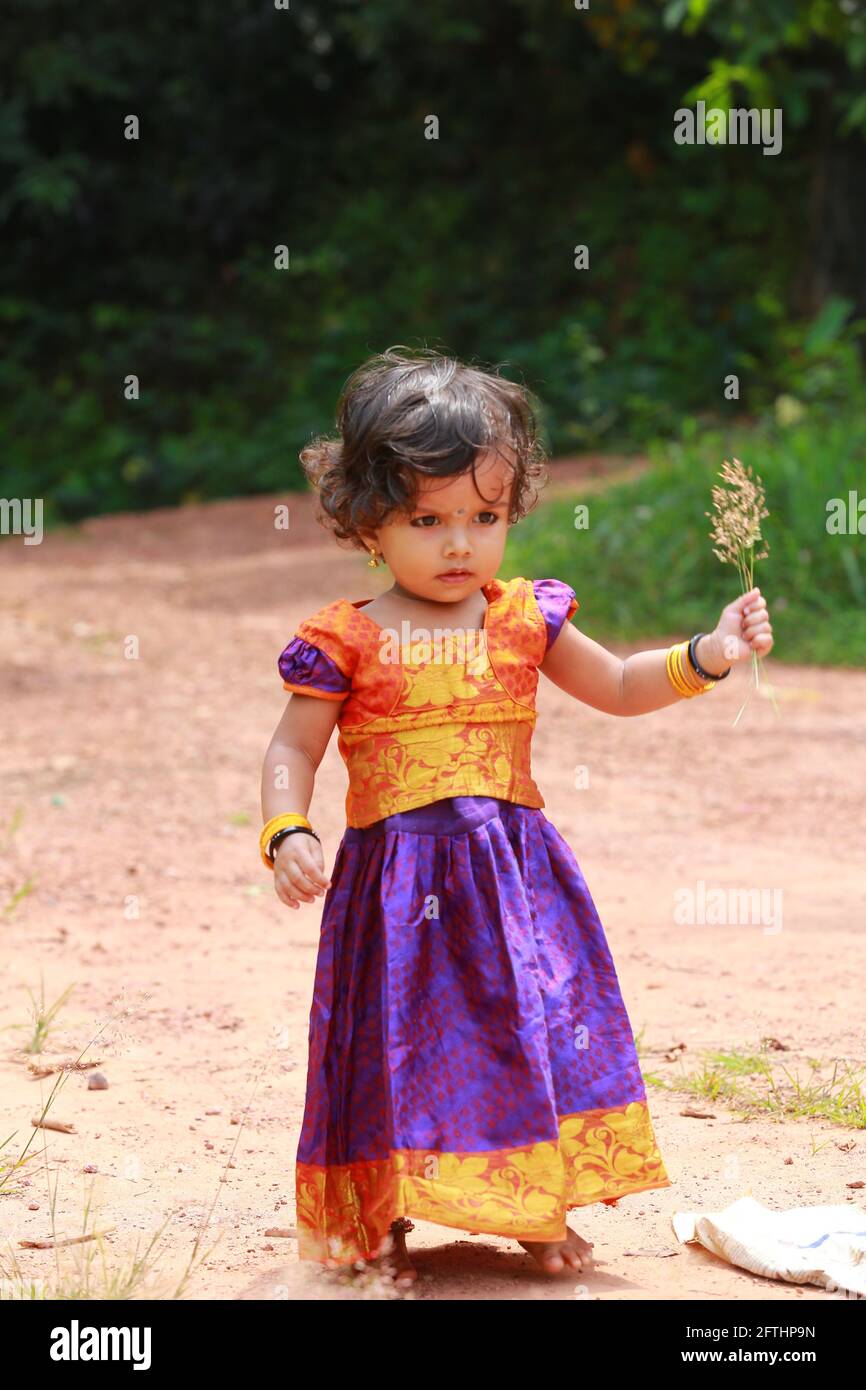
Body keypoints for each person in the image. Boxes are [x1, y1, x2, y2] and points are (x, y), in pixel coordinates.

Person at [260, 346, 774, 1289]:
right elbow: (293, 750)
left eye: (484, 517)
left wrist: (708, 653)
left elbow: (619, 684)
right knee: (396, 1048)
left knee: (528, 1032)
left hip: (512, 883)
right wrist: (287, 829)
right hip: (394, 892)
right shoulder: (345, 640)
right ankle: (387, 1211)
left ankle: (538, 1210)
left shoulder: (525, 618)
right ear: (368, 522)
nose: (461, 543)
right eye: (429, 519)